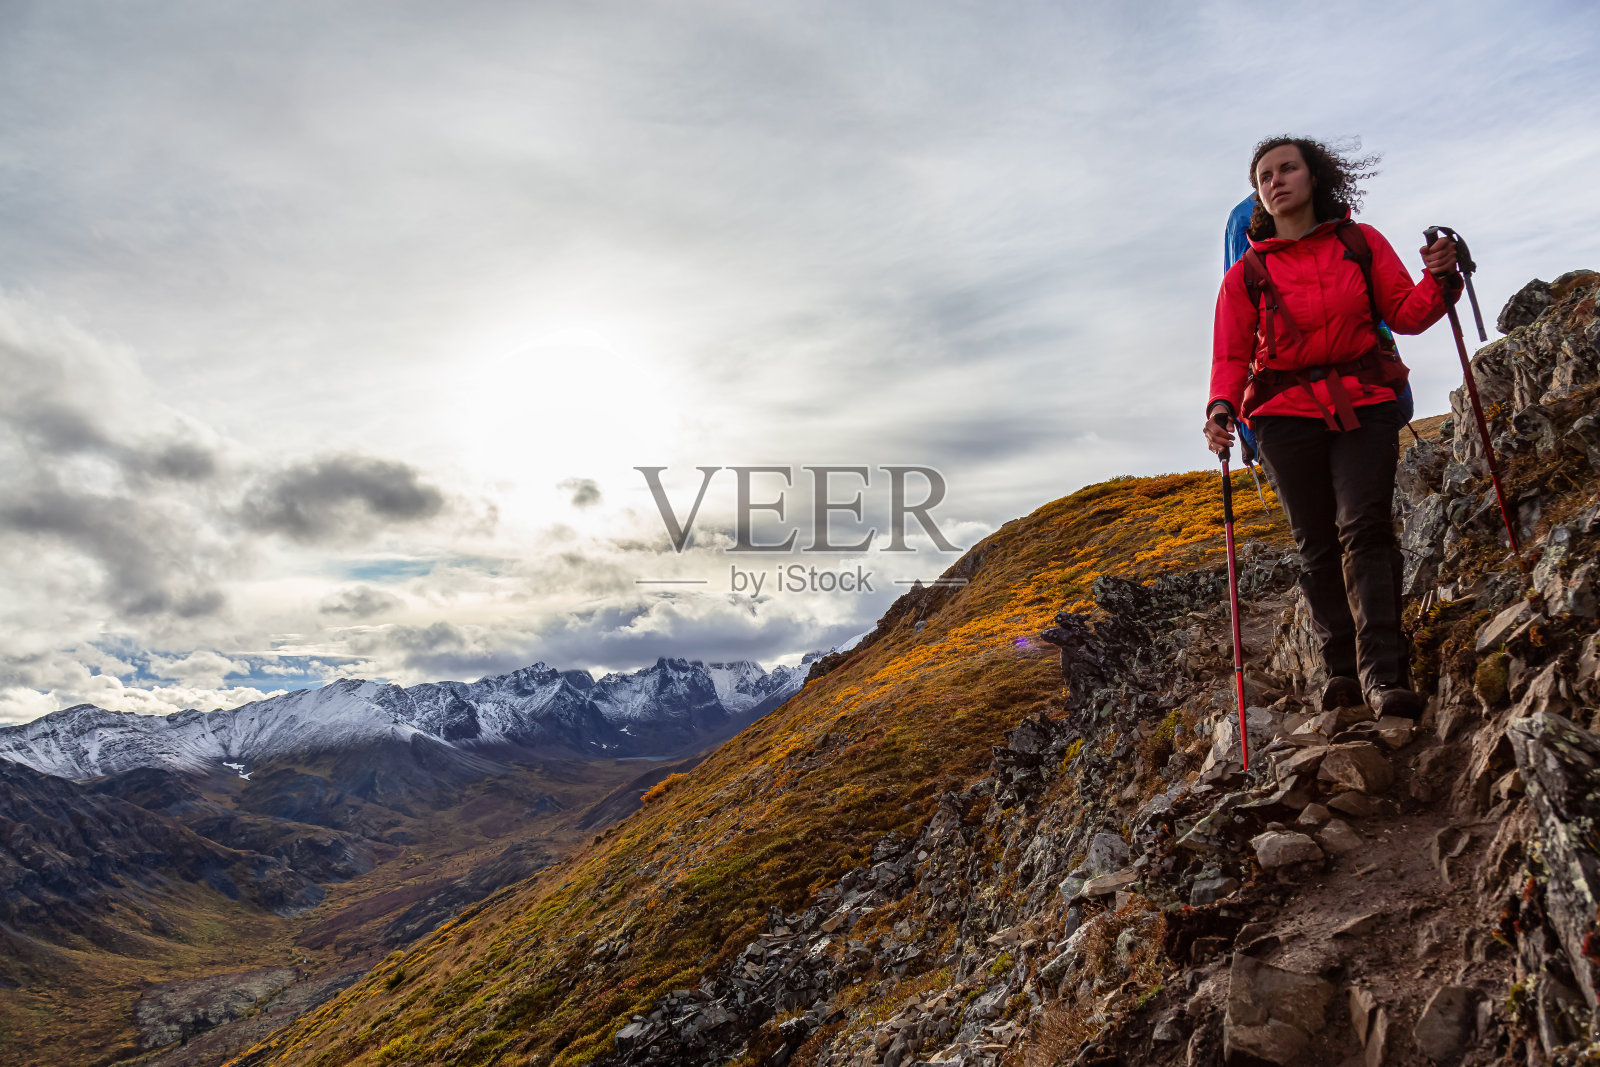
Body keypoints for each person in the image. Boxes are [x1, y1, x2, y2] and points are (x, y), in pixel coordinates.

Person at [1202, 136, 1462, 719]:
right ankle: (1341, 670)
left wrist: (1441, 280)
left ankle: (1382, 675)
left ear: (1314, 176)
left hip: (1364, 402)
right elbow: (1230, 356)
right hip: (1281, 416)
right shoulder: (1245, 274)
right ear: (1259, 196)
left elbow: (1408, 315)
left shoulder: (1360, 243)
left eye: (1287, 169)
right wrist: (1220, 408)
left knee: (1365, 527)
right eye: (1264, 176)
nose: (1275, 182)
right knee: (1316, 543)